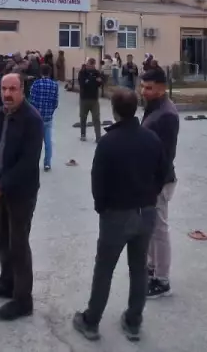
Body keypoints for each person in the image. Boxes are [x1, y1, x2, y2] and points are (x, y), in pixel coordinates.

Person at [72, 88, 166, 342]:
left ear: (114, 110)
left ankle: (91, 321)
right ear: (136, 108)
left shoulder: (108, 142)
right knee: (139, 268)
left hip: (116, 215)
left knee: (104, 269)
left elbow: (98, 181)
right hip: (146, 212)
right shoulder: (151, 139)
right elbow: (163, 174)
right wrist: (150, 197)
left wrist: (102, 207)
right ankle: (133, 321)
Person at [0, 73, 44, 321]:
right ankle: (6, 282)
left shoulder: (32, 119)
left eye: (13, 89)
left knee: (18, 243)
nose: (7, 93)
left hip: (21, 192)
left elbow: (28, 162)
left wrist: (1, 184)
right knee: (2, 239)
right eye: (4, 89)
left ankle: (23, 299)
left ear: (22, 90)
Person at [139, 67, 179, 299]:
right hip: (149, 180)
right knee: (151, 228)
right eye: (142, 87)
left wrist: (153, 185)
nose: (143, 91)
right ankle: (152, 267)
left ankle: (162, 280)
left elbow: (167, 155)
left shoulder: (167, 115)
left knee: (160, 230)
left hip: (159, 182)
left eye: (149, 88)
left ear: (162, 89)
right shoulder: (154, 106)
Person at [28, 64, 59, 172]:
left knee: (35, 142)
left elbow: (31, 100)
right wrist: (50, 111)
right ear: (49, 72)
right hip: (48, 117)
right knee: (48, 142)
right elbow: (55, 102)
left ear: (41, 72)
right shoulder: (54, 85)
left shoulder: (36, 84)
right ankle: (47, 163)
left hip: (36, 117)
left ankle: (33, 162)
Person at [77, 58, 104, 142]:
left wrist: (94, 81)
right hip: (84, 99)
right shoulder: (82, 72)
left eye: (92, 65)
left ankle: (98, 137)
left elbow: (100, 83)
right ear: (87, 64)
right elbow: (82, 84)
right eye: (89, 64)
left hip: (94, 99)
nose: (91, 66)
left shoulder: (97, 72)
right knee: (83, 117)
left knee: (96, 118)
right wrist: (93, 80)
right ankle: (83, 134)